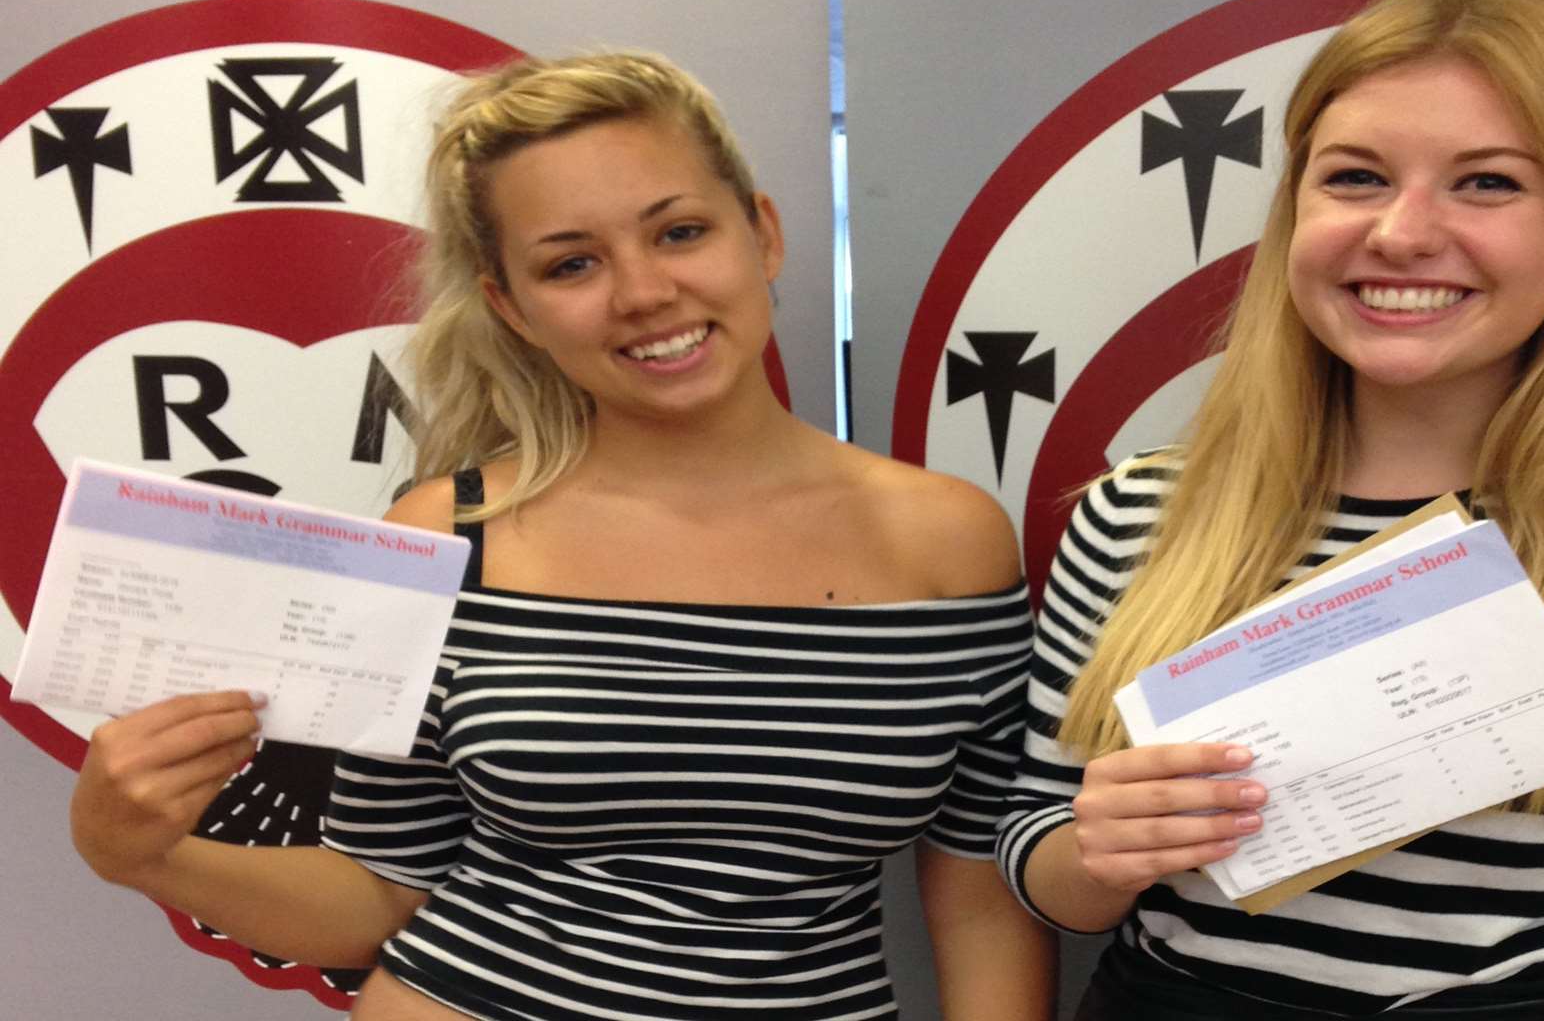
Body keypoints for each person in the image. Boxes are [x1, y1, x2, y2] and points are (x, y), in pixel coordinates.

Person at [69, 51, 1054, 1021]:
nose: (642, 292)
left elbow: (976, 902)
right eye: (571, 262)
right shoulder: (447, 537)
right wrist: (140, 852)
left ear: (762, 233)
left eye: (679, 232)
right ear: (513, 306)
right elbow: (376, 894)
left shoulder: (949, 543)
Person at [995, 0, 1544, 1021]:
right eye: (1355, 177)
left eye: (1488, 182)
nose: (1400, 234)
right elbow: (1038, 851)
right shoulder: (1137, 517)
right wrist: (1097, 856)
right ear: (1294, 210)